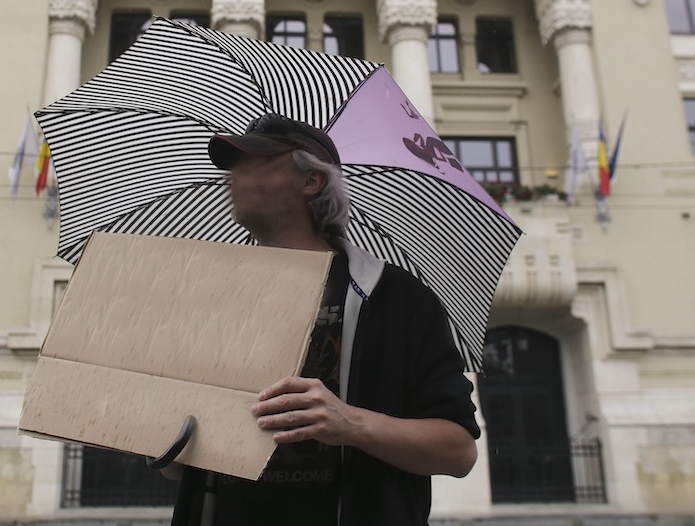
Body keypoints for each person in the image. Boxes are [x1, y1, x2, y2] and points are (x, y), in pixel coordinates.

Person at [168, 113, 479, 526]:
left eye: (256, 163)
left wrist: (350, 423)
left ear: (310, 181)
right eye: (232, 166)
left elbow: (458, 451)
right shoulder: (211, 296)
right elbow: (181, 463)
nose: (233, 177)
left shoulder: (395, 296)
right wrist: (160, 435)